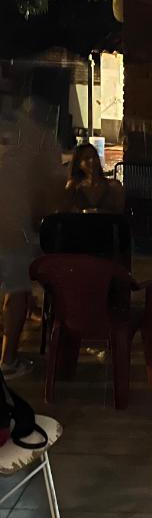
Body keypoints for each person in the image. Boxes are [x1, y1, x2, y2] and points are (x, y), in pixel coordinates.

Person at [0, 86, 66, 378]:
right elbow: (53, 192)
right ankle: (8, 359)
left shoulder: (7, 129)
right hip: (13, 226)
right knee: (17, 291)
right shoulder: (44, 140)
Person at [63, 143, 125, 213]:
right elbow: (64, 211)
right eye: (87, 158)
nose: (92, 160)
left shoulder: (114, 186)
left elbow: (120, 213)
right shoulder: (73, 185)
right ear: (78, 164)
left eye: (95, 156)